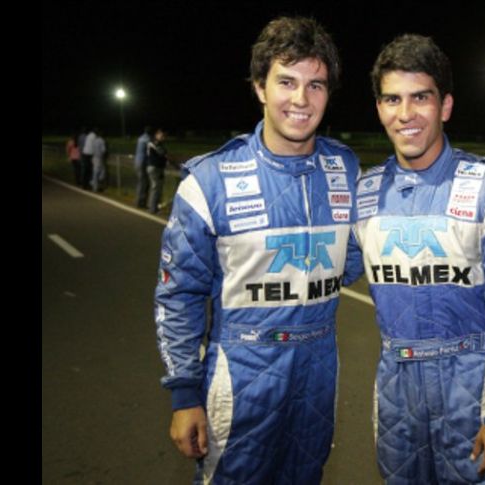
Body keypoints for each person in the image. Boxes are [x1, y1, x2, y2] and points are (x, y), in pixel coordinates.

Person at [153, 16, 361, 484]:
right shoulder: (209, 179)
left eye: (316, 85)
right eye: (286, 81)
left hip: (318, 371)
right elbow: (179, 296)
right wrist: (185, 395)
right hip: (240, 373)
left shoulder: (344, 168)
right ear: (260, 88)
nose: (301, 100)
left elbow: (350, 263)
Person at [351, 34, 485, 484]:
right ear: (379, 108)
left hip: (471, 393)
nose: (406, 114)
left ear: (446, 106)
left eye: (421, 97)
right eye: (392, 99)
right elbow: (325, 272)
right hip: (396, 394)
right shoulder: (363, 193)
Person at [146, 128, 168, 214]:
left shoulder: (157, 144)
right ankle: (152, 208)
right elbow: (163, 153)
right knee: (155, 188)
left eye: (164, 136)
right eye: (161, 136)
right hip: (155, 168)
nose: (163, 138)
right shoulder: (154, 143)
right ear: (156, 135)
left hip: (156, 168)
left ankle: (153, 207)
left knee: (156, 188)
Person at [135, 126, 152, 208]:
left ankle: (138, 201)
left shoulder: (140, 138)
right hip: (142, 163)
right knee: (144, 183)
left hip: (137, 161)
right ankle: (141, 203)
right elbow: (150, 152)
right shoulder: (147, 139)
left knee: (140, 182)